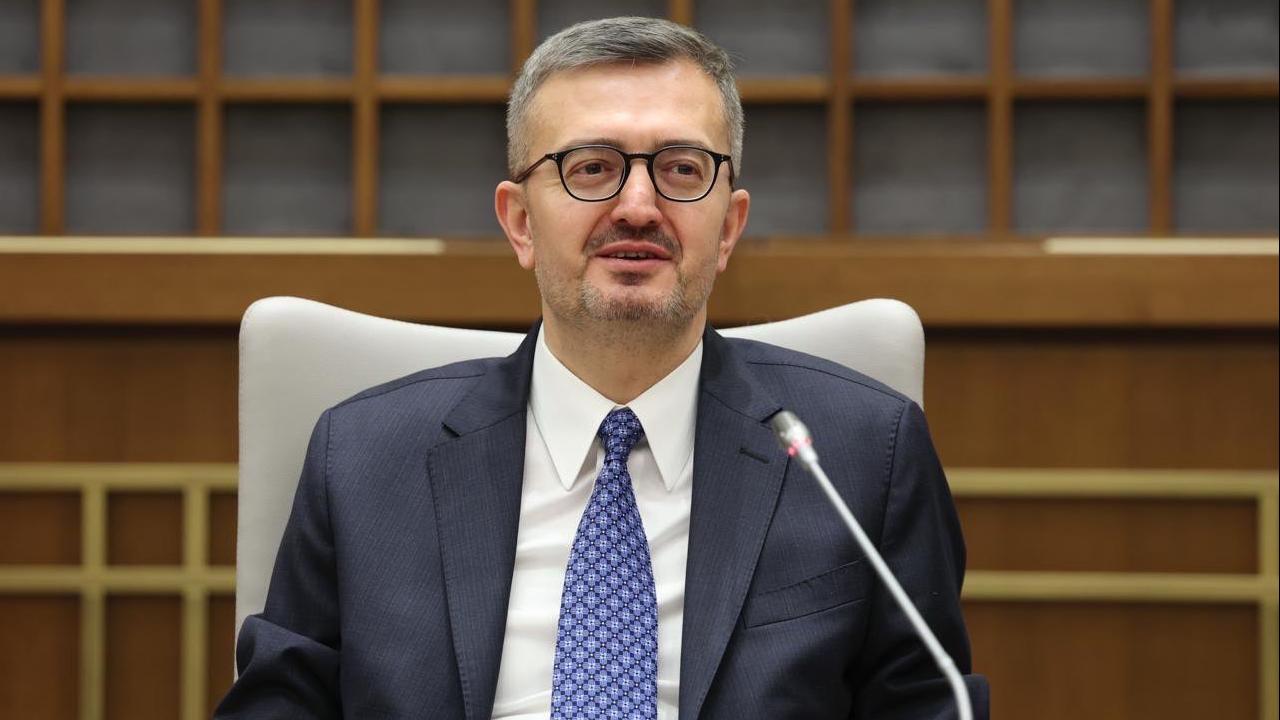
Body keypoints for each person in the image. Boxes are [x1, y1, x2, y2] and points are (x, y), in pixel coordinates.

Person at [217, 16, 988, 720]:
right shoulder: (363, 459)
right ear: (520, 222)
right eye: (591, 168)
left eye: (681, 169)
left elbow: (929, 704)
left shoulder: (860, 455)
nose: (639, 206)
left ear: (728, 227)